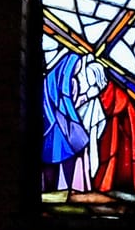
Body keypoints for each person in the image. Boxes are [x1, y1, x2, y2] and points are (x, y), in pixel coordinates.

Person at [41, 52, 95, 193]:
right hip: (56, 131)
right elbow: (67, 105)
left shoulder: (60, 81)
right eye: (76, 66)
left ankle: (66, 189)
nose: (78, 70)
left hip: (57, 130)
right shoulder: (62, 82)